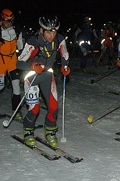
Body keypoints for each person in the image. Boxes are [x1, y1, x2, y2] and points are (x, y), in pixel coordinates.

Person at [17, 15, 70, 147]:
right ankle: (28, 130)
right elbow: (19, 62)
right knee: (35, 108)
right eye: (48, 32)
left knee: (54, 106)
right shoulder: (33, 41)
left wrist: (65, 66)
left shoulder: (59, 39)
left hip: (47, 75)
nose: (51, 35)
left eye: (53, 31)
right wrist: (33, 66)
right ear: (41, 30)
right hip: (32, 77)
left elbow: (65, 55)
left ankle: (50, 131)